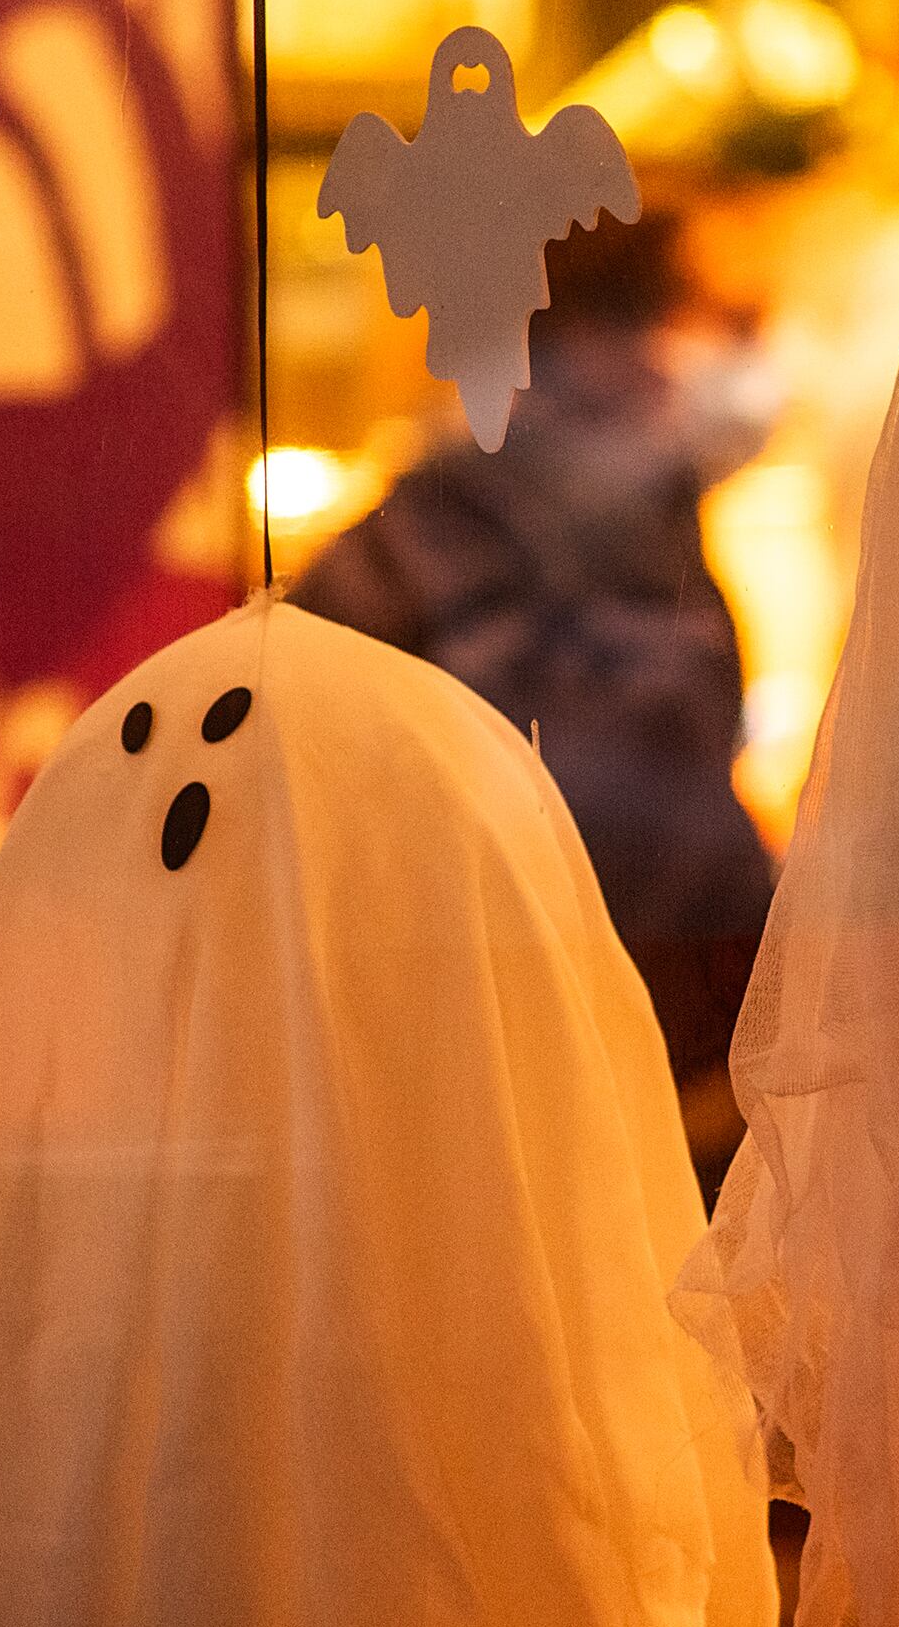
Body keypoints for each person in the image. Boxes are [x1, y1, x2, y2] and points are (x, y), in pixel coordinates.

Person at [294, 197, 776, 1167]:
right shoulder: (593, 510)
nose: (687, 361)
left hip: (511, 1013)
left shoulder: (440, 514)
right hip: (635, 1011)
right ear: (588, 336)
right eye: (677, 323)